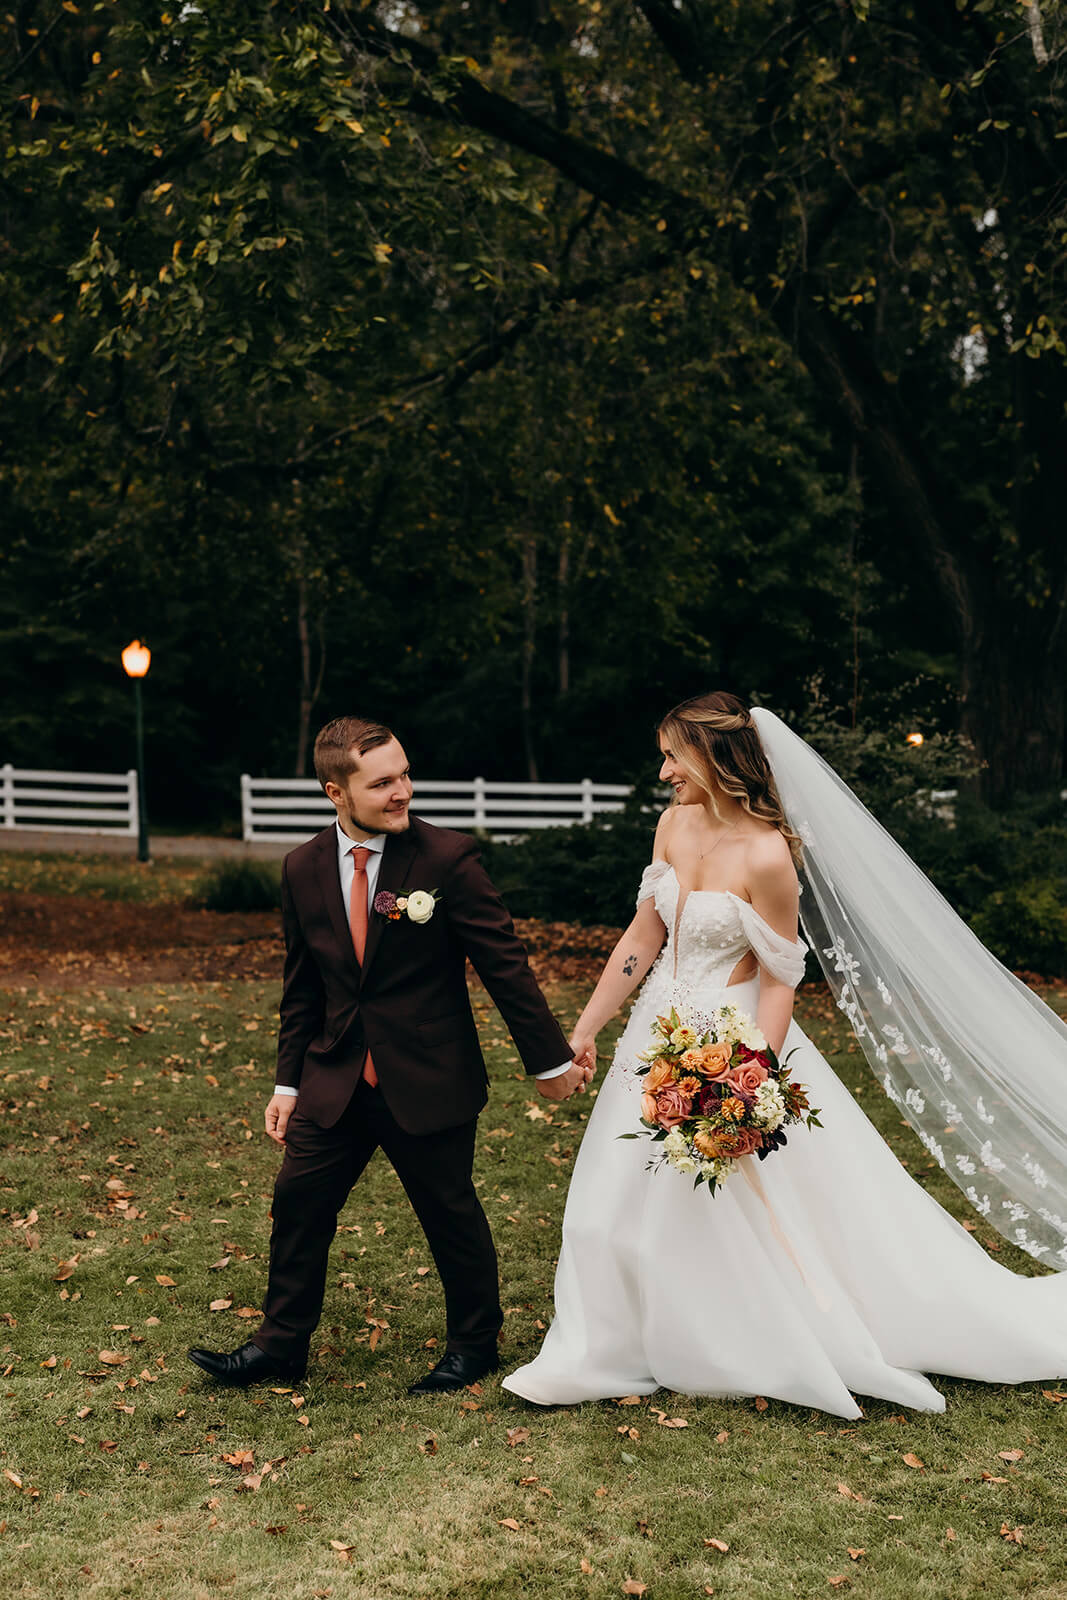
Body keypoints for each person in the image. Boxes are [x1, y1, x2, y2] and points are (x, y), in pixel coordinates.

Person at [504, 692, 1067, 1418]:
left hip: (733, 1042)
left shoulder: (769, 855)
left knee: (717, 1212)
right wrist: (583, 1029)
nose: (664, 770)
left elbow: (779, 975)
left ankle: (720, 1339)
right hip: (654, 1040)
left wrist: (751, 1081)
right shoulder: (671, 824)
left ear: (711, 757)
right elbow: (643, 935)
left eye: (673, 755)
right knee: (602, 1209)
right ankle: (603, 1345)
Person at [188, 715, 589, 1394]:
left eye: (404, 775)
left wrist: (548, 1065)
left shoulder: (447, 861)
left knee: (447, 1209)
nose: (402, 791)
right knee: (297, 1201)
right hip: (335, 1075)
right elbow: (303, 987)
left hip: (427, 1075)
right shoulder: (302, 868)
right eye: (382, 783)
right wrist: (287, 1084)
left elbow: (506, 968)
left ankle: (474, 1343)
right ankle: (280, 1345)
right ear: (334, 792)